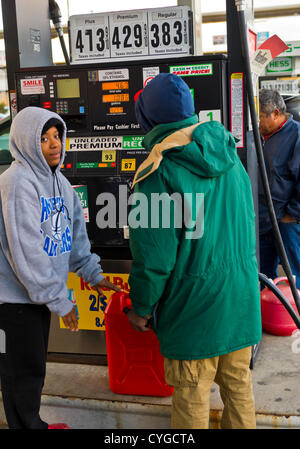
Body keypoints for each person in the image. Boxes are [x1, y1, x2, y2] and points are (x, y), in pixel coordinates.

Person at [126, 73, 261, 429]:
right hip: (240, 302)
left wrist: (140, 308)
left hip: (193, 311)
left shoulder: (158, 171)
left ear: (148, 118)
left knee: (192, 400)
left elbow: (154, 259)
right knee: (239, 390)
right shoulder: (230, 157)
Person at [0, 106, 120, 429]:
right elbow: (28, 253)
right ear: (25, 141)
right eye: (43, 138)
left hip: (36, 298)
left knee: (33, 369)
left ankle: (30, 423)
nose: (55, 144)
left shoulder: (62, 184)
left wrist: (93, 274)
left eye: (57, 135)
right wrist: (60, 300)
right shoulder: (16, 182)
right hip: (11, 301)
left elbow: (75, 239)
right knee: (20, 374)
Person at [258, 89, 300, 289]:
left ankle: (294, 317)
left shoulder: (297, 135)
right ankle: (269, 316)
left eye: (259, 117)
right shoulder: (259, 137)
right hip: (263, 220)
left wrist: (291, 215)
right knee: (264, 277)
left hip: (286, 222)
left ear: (275, 113)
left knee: (293, 276)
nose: (256, 123)